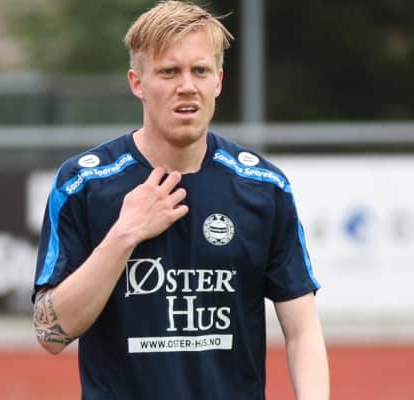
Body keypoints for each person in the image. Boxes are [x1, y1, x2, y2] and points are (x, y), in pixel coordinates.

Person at [31, 1, 329, 399]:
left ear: (218, 81)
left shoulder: (263, 187)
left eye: (200, 71)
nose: (187, 85)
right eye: (169, 71)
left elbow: (302, 329)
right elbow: (50, 333)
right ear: (137, 83)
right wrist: (124, 234)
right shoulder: (83, 183)